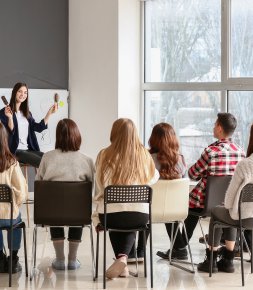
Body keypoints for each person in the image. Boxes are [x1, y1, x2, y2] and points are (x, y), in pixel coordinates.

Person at [157, 113, 245, 260]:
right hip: (230, 203)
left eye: (215, 124)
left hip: (206, 203)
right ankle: (180, 247)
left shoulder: (211, 152)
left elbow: (192, 174)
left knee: (176, 211)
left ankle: (179, 247)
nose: (213, 127)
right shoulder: (241, 152)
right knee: (194, 210)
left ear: (219, 127)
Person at [92, 118, 159, 279]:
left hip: (111, 216)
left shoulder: (104, 154)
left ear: (113, 133)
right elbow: (154, 177)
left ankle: (122, 260)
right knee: (131, 215)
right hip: (140, 216)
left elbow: (100, 184)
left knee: (116, 214)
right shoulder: (144, 154)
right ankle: (123, 261)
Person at [36, 118, 95, 270]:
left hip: (51, 214)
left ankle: (60, 259)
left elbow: (38, 184)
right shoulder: (87, 160)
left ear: (58, 136)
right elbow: (93, 188)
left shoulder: (47, 157)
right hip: (79, 215)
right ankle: (73, 260)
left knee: (54, 206)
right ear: (77, 135)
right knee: (78, 205)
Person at [198, 124, 253, 273]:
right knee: (231, 212)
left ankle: (211, 260)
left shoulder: (245, 165)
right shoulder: (240, 152)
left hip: (244, 217)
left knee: (221, 211)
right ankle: (228, 259)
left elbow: (229, 200)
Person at [128, 122, 187, 262]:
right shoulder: (181, 159)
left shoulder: (146, 158)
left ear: (153, 138)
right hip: (174, 212)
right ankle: (180, 248)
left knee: (148, 203)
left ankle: (140, 250)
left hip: (147, 211)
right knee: (167, 204)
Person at [0, 82, 57, 168]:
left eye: (25, 92)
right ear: (14, 92)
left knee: (49, 159)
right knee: (42, 163)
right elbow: (9, 132)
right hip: (15, 150)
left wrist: (49, 113)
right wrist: (10, 118)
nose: (23, 94)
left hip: (29, 149)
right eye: (20, 91)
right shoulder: (4, 112)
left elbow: (38, 128)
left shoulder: (27, 113)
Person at [0, 122, 28, 273]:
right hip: (8, 215)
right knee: (16, 219)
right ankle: (13, 259)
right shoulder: (11, 162)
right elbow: (21, 192)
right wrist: (15, 205)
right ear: (4, 139)